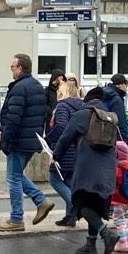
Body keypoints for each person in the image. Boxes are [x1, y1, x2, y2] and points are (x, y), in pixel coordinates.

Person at [49, 85, 122, 254]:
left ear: (87, 101)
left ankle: (106, 233)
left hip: (87, 169)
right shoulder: (111, 118)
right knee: (95, 206)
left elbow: (65, 137)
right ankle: (90, 244)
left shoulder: (82, 115)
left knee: (81, 205)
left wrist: (55, 156)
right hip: (108, 170)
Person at [0, 52, 51, 233]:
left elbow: (13, 117)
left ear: (20, 68)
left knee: (13, 178)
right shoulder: (36, 86)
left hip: (19, 139)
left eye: (13, 66)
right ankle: (41, 200)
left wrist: (6, 139)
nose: (11, 70)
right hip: (31, 139)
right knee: (18, 175)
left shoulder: (20, 88)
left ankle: (17, 218)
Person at [46, 73, 84, 225]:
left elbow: (62, 126)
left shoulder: (62, 106)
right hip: (77, 149)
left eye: (58, 91)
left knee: (55, 180)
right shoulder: (80, 105)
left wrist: (48, 140)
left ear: (62, 92)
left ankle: (75, 206)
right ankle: (70, 216)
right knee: (68, 181)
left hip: (64, 149)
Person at [100, 71, 128, 143]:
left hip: (102, 135)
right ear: (120, 85)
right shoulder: (116, 99)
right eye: (126, 85)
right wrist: (126, 143)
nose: (126, 88)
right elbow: (121, 123)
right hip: (115, 138)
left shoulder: (103, 94)